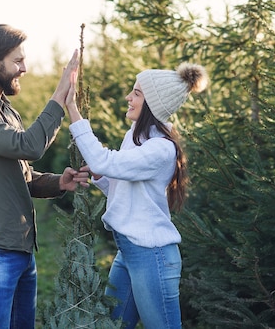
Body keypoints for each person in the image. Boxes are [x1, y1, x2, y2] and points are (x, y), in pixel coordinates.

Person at [0, 24, 89, 329]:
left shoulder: (5, 111)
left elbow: (20, 172)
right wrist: (59, 96)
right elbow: (28, 146)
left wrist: (57, 182)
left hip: (20, 249)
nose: (24, 69)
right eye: (17, 61)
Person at [65, 62, 208, 329]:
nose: (128, 98)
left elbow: (103, 159)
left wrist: (72, 108)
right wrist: (100, 179)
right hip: (129, 251)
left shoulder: (160, 149)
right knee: (112, 325)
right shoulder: (136, 137)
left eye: (137, 93)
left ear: (153, 104)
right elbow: (124, 191)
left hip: (152, 255)